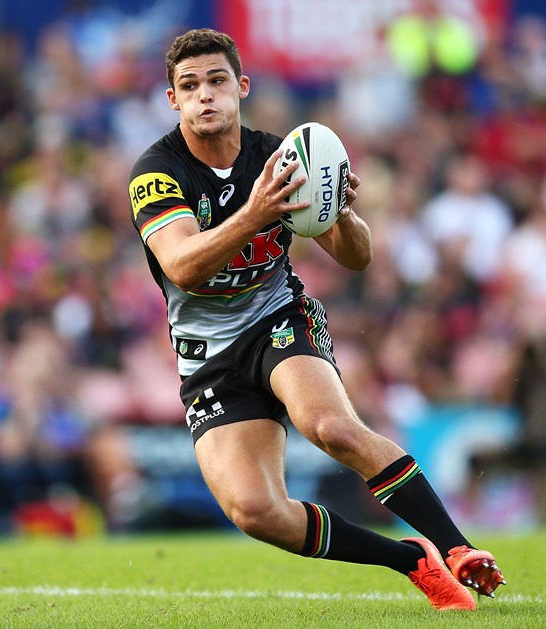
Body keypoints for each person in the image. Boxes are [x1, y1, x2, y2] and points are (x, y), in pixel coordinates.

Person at [128, 28, 505, 611]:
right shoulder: (155, 172)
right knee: (255, 511)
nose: (205, 95)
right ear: (173, 99)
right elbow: (181, 267)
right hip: (207, 354)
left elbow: (357, 258)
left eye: (217, 81)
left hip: (277, 317)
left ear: (242, 87)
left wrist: (342, 214)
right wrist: (255, 213)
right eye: (191, 85)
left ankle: (458, 549)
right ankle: (411, 560)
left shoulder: (282, 159)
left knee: (330, 427)